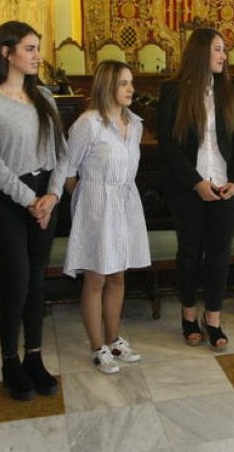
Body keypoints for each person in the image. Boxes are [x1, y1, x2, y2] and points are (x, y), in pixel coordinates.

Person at [0, 21, 66, 401]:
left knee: (37, 280)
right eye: (29, 48)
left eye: (37, 47)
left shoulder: (44, 96)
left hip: (46, 198)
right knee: (17, 280)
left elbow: (61, 153)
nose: (37, 55)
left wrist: (52, 197)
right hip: (8, 200)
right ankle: (10, 361)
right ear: (6, 52)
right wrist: (29, 200)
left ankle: (35, 357)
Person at [157, 28, 234, 350]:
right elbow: (167, 145)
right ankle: (188, 313)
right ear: (200, 53)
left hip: (226, 188)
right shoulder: (173, 91)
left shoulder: (231, 92)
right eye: (218, 50)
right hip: (189, 188)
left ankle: (214, 318)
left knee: (220, 254)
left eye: (225, 50)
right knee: (190, 251)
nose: (224, 56)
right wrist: (196, 183)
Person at [63, 60, 151, 373]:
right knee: (97, 276)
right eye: (123, 83)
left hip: (126, 202)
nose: (131, 89)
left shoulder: (136, 124)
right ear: (107, 86)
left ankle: (114, 339)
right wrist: (89, 203)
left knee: (118, 274)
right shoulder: (88, 124)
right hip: (96, 205)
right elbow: (68, 171)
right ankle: (97, 346)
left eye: (131, 82)